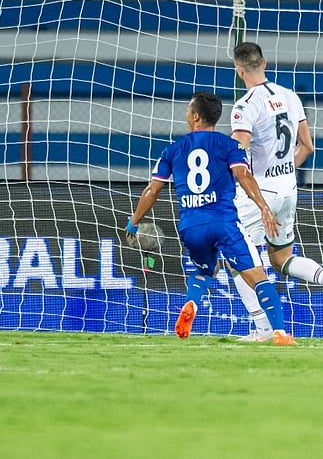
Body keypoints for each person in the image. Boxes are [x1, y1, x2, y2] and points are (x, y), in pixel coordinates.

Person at [126, 91, 296, 346]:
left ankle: (191, 302)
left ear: (195, 116)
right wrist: (263, 207)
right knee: (258, 276)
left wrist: (134, 222)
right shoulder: (230, 145)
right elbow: (243, 176)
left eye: (187, 109)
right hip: (223, 222)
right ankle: (281, 334)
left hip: (191, 226)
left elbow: (152, 191)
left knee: (205, 269)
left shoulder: (172, 150)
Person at [228, 42, 323, 341]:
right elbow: (308, 147)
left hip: (257, 192)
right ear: (265, 62)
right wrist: (284, 171)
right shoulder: (290, 96)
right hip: (288, 188)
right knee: (281, 258)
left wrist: (259, 196)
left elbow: (238, 159)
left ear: (239, 70)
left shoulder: (245, 106)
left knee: (234, 257)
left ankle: (262, 329)